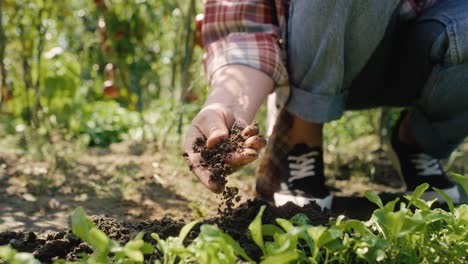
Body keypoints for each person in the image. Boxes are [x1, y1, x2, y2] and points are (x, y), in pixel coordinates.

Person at [183, 0, 468, 209]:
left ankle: (415, 141)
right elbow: (244, 27)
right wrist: (229, 104)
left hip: (418, 56)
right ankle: (302, 141)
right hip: (316, 57)